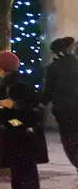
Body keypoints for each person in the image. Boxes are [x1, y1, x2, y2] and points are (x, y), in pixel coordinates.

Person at [0, 51, 47, 189]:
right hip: (21, 132)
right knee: (23, 171)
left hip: (20, 134)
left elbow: (30, 108)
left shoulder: (15, 83)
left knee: (22, 171)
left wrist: (12, 119)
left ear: (2, 67)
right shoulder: (18, 80)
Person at [41, 36, 78, 171]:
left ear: (56, 52)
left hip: (65, 111)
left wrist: (40, 104)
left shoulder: (53, 68)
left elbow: (48, 91)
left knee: (70, 144)